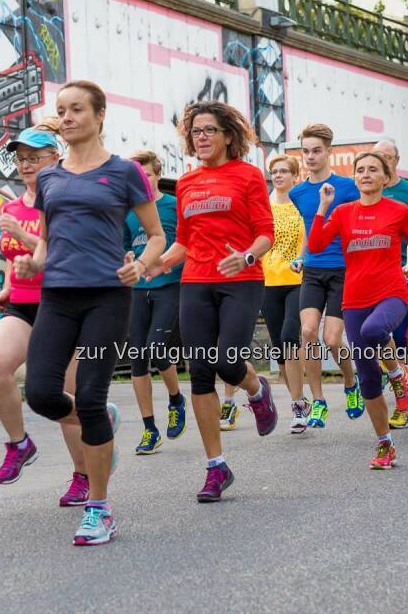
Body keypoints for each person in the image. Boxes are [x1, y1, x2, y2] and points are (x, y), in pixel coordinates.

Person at [15, 80, 166, 546]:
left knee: (92, 393)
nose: (67, 117)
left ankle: (99, 508)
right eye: (61, 110)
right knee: (40, 392)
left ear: (100, 115)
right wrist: (33, 261)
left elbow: (156, 236)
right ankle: (96, 420)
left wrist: (139, 266)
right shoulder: (50, 177)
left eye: (76, 109)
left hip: (107, 295)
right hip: (57, 295)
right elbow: (46, 236)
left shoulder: (124, 173)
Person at [146, 101, 278, 503]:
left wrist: (248, 257)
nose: (201, 138)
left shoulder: (249, 176)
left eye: (209, 131)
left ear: (227, 136)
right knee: (200, 373)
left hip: (241, 279)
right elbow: (183, 241)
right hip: (196, 281)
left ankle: (257, 390)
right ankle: (215, 468)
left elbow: (265, 233)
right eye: (196, 132)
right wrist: (156, 264)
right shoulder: (186, 183)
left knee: (226, 360)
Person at [0, 122, 89, 507]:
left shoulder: (70, 199)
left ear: (55, 158)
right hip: (25, 304)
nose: (26, 165)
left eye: (35, 158)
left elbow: (68, 252)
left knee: (66, 398)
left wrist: (26, 237)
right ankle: (19, 443)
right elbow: (18, 259)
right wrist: (9, 287)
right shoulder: (11, 207)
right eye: (21, 159)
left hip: (66, 303)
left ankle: (84, 476)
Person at [308, 151, 408, 468]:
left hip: (391, 293)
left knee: (375, 330)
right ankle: (384, 445)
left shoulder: (398, 210)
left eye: (372, 169)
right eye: (360, 170)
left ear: (385, 177)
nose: (365, 174)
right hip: (354, 299)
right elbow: (317, 245)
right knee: (366, 378)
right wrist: (323, 207)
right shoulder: (343, 212)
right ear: (354, 177)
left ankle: (398, 375)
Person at [289, 124, 360, 427]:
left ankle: (350, 382)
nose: (310, 156)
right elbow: (309, 225)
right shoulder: (297, 192)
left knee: (332, 339)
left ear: (329, 152)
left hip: (343, 270)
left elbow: (358, 223)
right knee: (307, 332)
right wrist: (302, 255)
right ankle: (318, 401)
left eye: (316, 150)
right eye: (305, 151)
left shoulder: (347, 187)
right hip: (314, 269)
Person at [124, 150, 187, 455]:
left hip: (169, 287)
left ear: (157, 175)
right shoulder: (128, 211)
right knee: (137, 357)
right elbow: (122, 248)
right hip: (136, 291)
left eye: (146, 175)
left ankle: (176, 399)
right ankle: (149, 429)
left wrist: (170, 263)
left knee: (156, 347)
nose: (142, 181)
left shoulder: (174, 206)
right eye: (137, 177)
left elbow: (188, 243)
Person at [372, 138, 408, 416]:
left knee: (402, 335)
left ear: (396, 160)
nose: (382, 160)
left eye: (387, 156)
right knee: (377, 336)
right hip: (373, 276)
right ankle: (401, 384)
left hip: (407, 272)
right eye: (377, 156)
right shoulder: (365, 195)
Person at [260, 154, 309, 433]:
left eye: (283, 171)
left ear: (295, 176)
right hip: (267, 283)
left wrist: (304, 259)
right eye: (274, 172)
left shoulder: (301, 204)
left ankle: (298, 406)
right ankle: (298, 400)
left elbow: (310, 237)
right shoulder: (263, 207)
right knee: (280, 349)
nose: (278, 176)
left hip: (297, 280)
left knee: (291, 339)